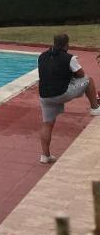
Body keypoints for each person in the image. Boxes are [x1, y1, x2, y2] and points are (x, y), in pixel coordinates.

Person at [38, 34, 100, 163]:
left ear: (54, 43)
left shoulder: (42, 56)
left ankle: (45, 156)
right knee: (89, 80)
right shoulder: (69, 58)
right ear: (67, 45)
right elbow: (81, 74)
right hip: (62, 93)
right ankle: (95, 108)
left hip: (45, 96)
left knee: (47, 124)